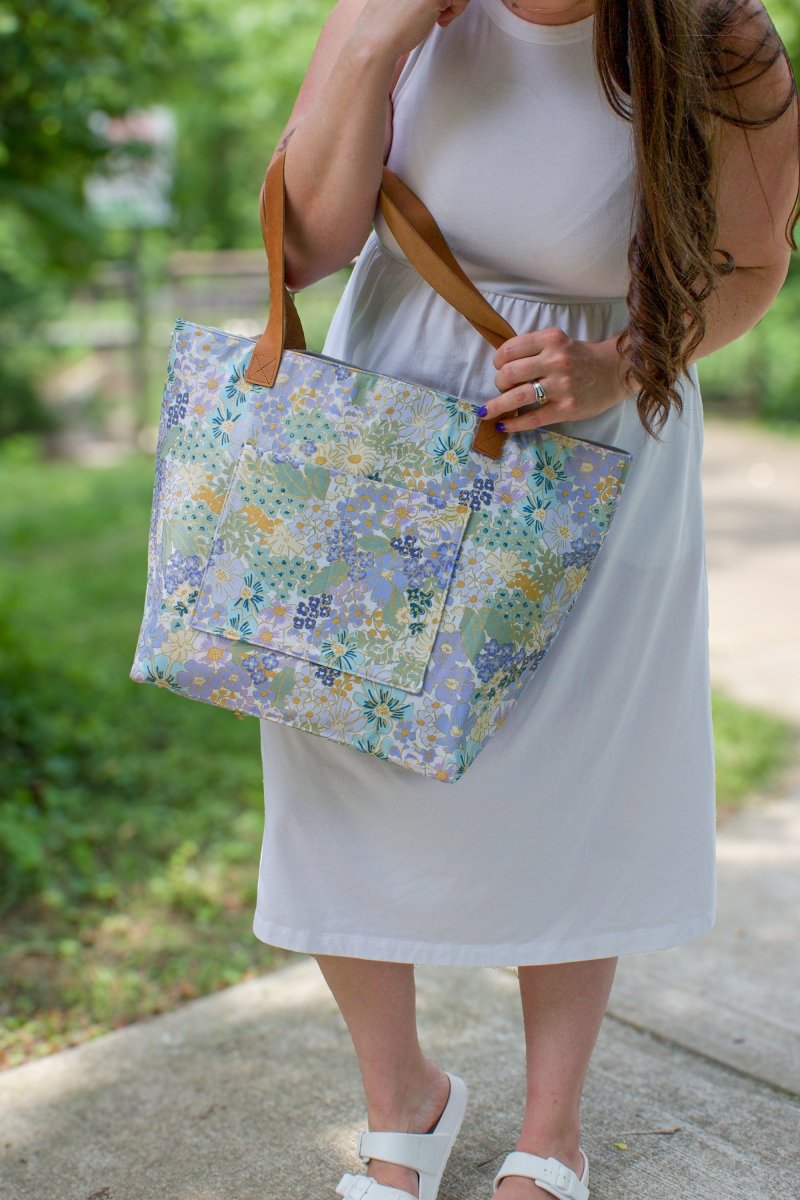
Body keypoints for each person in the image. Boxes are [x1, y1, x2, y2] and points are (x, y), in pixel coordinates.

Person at [250, 2, 799, 1198]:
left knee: (570, 772)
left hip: (594, 439)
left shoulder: (717, 38)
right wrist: (369, 42)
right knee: (334, 745)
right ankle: (401, 1104)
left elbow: (753, 265)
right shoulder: (396, 15)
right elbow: (305, 247)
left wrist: (625, 363)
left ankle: (551, 1134)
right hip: (385, 427)